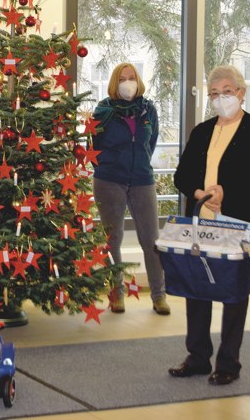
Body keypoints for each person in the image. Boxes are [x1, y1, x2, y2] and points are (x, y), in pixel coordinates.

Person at [170, 65, 250, 386]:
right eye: (214, 94)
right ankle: (198, 356)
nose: (221, 98)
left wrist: (225, 193)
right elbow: (182, 176)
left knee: (233, 294)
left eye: (227, 92)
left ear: (242, 93)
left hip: (240, 225)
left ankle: (229, 363)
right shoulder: (202, 131)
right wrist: (200, 193)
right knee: (197, 290)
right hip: (201, 223)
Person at [92, 62, 169, 315]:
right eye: (123, 79)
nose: (128, 83)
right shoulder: (103, 111)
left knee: (151, 240)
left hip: (142, 179)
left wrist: (139, 163)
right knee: (112, 240)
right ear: (115, 83)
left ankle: (159, 296)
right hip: (109, 180)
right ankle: (116, 295)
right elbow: (94, 145)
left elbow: (150, 142)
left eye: (132, 77)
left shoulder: (148, 109)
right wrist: (110, 164)